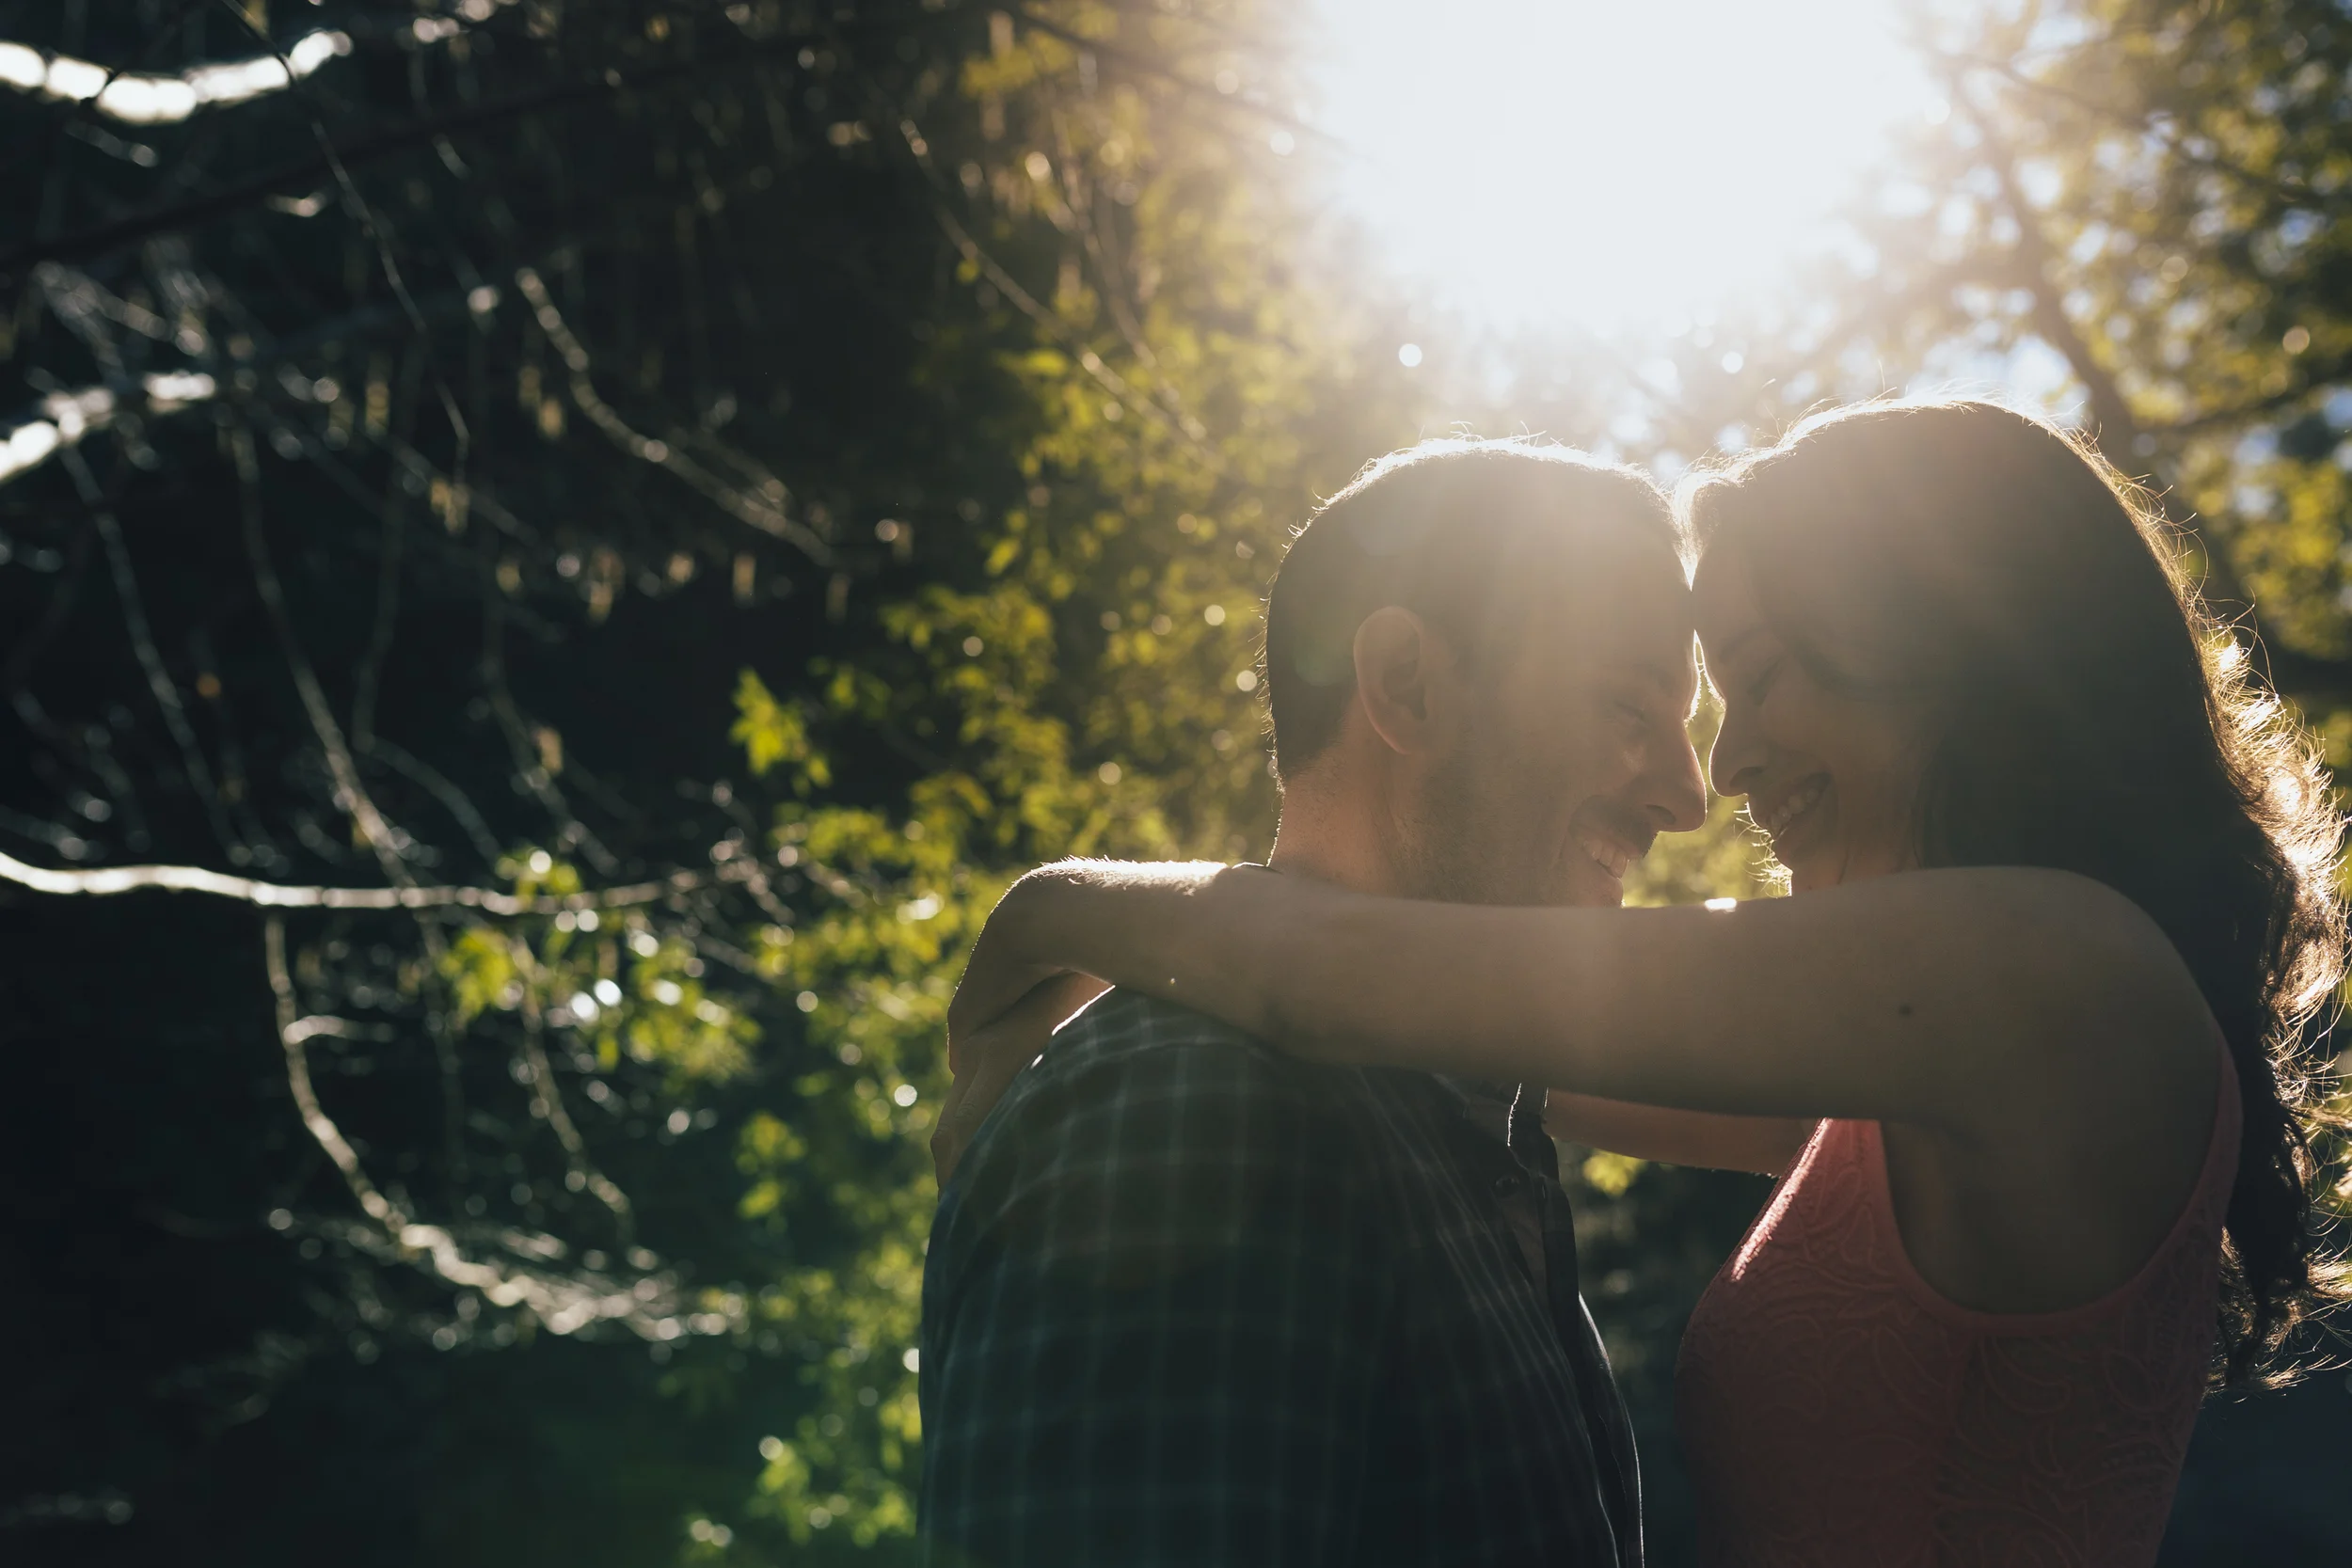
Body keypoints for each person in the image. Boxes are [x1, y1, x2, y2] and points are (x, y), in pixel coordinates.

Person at [939, 400, 2349, 1568]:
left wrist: (1048, 910)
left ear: (1951, 645)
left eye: (1759, 674)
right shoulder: (1933, 1068)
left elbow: (1337, 981)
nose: (1716, 774)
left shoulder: (2053, 979)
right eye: (1661, 703)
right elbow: (1444, 1035)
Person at [919, 438, 1712, 1567]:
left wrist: (1056, 904)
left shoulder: (1465, 1110)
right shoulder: (1186, 1113)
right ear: (1406, 682)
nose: (1688, 795)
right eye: (1628, 706)